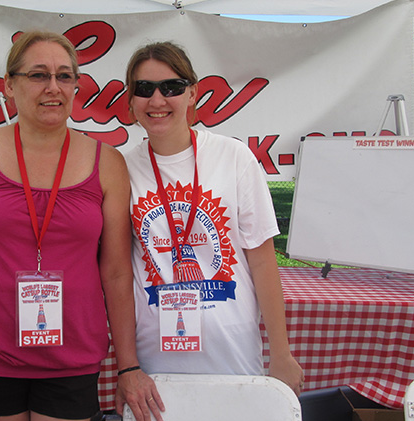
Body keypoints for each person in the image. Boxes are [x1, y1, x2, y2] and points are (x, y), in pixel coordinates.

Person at [0, 31, 163, 421]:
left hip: (71, 349)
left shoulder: (106, 163)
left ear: (77, 86)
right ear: (9, 84)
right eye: (38, 75)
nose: (53, 88)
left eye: (64, 76)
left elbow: (115, 271)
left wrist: (128, 364)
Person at [124, 42, 304, 399]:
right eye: (144, 89)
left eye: (171, 87)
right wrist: (127, 367)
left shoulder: (233, 156)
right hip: (156, 365)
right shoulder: (122, 168)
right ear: (131, 101)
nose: (157, 101)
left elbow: (263, 259)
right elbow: (114, 270)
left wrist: (281, 354)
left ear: (192, 93)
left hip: (233, 355)